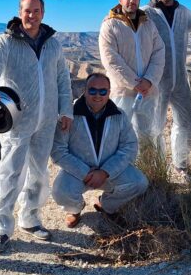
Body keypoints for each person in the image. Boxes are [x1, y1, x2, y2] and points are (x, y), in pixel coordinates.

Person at [0, 0, 73, 254]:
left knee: (39, 172)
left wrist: (66, 110)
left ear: (43, 12)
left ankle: (30, 218)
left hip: (46, 119)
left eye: (36, 11)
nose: (31, 16)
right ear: (19, 12)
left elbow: (62, 78)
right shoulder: (6, 42)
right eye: (27, 11)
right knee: (10, 173)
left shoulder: (52, 44)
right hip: (18, 121)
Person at [51, 73, 148, 227]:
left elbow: (129, 146)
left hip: (109, 172)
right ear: (85, 90)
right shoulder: (69, 115)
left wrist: (104, 172)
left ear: (109, 92)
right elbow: (58, 150)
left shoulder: (119, 115)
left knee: (139, 183)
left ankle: (107, 205)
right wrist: (86, 172)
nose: (98, 95)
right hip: (78, 173)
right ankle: (75, 209)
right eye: (93, 90)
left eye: (103, 91)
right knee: (60, 192)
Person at [142, 0, 191, 178]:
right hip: (156, 79)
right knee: (154, 126)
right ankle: (154, 170)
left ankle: (180, 165)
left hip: (180, 78)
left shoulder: (184, 12)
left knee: (187, 122)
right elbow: (125, 23)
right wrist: (110, 17)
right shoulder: (145, 12)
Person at [99, 0, 165, 149]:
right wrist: (135, 83)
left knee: (147, 134)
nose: (132, 1)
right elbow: (111, 60)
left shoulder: (148, 24)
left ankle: (148, 172)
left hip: (147, 91)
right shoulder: (110, 25)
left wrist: (149, 80)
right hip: (123, 91)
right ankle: (118, 173)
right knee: (118, 134)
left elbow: (159, 52)